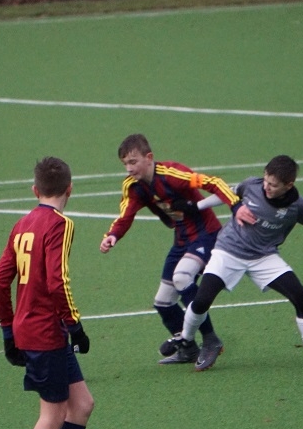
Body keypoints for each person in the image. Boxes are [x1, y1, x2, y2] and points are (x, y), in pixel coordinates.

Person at [166, 155, 303, 372]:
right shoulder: (251, 185)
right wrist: (195, 206)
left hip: (263, 257)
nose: (266, 187)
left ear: (288, 185)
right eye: (265, 180)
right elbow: (228, 193)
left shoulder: (298, 207)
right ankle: (186, 339)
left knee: (300, 296)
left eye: (273, 185)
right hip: (228, 251)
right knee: (202, 300)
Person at [99, 134, 240, 364]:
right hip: (182, 239)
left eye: (133, 162)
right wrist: (112, 235)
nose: (129, 168)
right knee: (163, 302)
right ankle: (188, 349)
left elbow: (213, 183)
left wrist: (236, 205)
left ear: (149, 157)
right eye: (125, 164)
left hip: (206, 235)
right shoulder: (133, 186)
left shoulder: (173, 174)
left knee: (182, 277)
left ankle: (211, 339)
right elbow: (126, 214)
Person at [0, 156, 94, 429]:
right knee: (52, 418)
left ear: (35, 190)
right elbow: (56, 281)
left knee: (82, 405)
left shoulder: (22, 224)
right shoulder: (60, 224)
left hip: (36, 331)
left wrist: (8, 332)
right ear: (70, 189)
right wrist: (76, 327)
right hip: (46, 332)